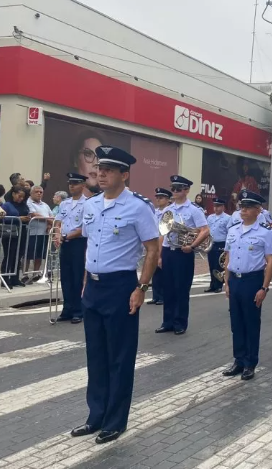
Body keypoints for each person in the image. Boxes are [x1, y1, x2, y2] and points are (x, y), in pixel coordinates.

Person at [69, 145, 160, 445]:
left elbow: (152, 248)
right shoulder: (92, 205)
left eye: (108, 169)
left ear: (125, 173)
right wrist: (85, 281)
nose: (101, 173)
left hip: (121, 286)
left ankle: (115, 420)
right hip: (93, 287)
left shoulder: (138, 206)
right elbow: (90, 246)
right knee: (95, 356)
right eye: (99, 168)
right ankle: (95, 416)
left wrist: (141, 288)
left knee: (119, 357)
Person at [221, 190, 272, 380]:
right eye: (242, 207)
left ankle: (250, 363)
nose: (243, 211)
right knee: (236, 323)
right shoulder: (233, 230)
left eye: (248, 208)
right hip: (234, 280)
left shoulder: (265, 234)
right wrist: (226, 281)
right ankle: (238, 360)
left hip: (252, 280)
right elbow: (228, 256)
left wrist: (264, 287)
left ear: (258, 210)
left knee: (251, 323)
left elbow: (270, 261)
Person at [155, 175, 210, 335]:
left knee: (181, 288)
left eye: (178, 189)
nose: (174, 191)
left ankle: (180, 323)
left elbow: (204, 230)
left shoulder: (194, 210)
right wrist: (159, 256)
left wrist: (192, 245)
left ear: (186, 190)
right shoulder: (167, 210)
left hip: (183, 253)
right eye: (173, 188)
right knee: (168, 288)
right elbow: (161, 234)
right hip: (168, 251)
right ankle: (168, 322)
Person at [53, 175, 88, 319]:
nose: (72, 186)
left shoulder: (87, 204)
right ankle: (67, 308)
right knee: (65, 277)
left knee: (77, 276)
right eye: (70, 184)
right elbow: (58, 221)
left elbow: (84, 227)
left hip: (78, 243)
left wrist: (67, 236)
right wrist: (57, 234)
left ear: (82, 185)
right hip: (65, 242)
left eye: (75, 183)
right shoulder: (64, 203)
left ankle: (78, 310)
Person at [1, 185, 31, 287]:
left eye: (23, 197)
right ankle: (5, 278)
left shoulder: (24, 205)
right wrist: (18, 218)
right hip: (10, 234)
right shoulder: (7, 205)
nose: (21, 198)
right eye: (19, 196)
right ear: (13, 194)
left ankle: (15, 278)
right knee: (9, 256)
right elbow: (3, 218)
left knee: (18, 256)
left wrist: (28, 218)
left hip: (22, 233)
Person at [148, 188, 172, 305]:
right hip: (154, 242)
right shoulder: (155, 212)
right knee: (154, 271)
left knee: (163, 271)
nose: (158, 199)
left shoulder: (169, 212)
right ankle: (156, 296)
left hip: (164, 243)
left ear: (167, 199)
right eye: (157, 197)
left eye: (161, 197)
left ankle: (163, 296)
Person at [25, 185, 54, 281]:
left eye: (41, 192)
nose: (39, 193)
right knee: (28, 255)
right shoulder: (28, 202)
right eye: (36, 191)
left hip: (43, 233)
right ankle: (25, 274)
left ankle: (35, 274)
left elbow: (51, 216)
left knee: (39, 255)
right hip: (32, 233)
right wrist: (49, 220)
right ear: (31, 193)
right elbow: (34, 215)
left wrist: (49, 225)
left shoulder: (45, 205)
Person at [205, 199, 231, 293]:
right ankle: (212, 285)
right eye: (215, 206)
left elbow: (229, 233)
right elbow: (207, 231)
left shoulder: (228, 218)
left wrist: (227, 246)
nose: (216, 208)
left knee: (219, 265)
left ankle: (219, 285)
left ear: (223, 207)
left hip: (221, 243)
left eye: (218, 206)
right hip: (211, 243)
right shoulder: (210, 217)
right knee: (211, 264)